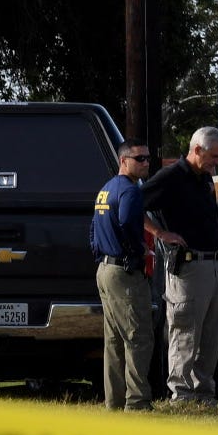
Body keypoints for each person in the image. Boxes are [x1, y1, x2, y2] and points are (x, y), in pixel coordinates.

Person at [141, 126, 218, 405]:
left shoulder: (204, 179)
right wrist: (159, 233)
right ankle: (181, 394)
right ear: (197, 150)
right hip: (188, 268)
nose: (217, 162)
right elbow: (133, 204)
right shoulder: (171, 177)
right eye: (214, 156)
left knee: (211, 334)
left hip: (213, 264)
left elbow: (212, 216)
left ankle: (203, 393)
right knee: (185, 331)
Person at [90, 138, 154, 411]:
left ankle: (114, 403)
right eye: (140, 158)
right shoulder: (130, 190)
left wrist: (100, 254)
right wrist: (138, 250)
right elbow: (128, 222)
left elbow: (92, 229)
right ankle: (137, 402)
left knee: (114, 339)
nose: (146, 163)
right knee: (138, 336)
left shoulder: (106, 189)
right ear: (124, 161)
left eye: (148, 158)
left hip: (105, 269)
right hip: (123, 272)